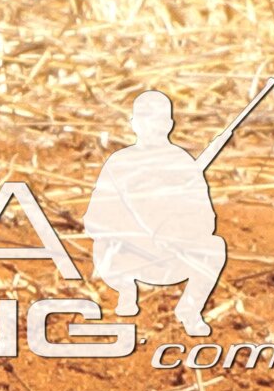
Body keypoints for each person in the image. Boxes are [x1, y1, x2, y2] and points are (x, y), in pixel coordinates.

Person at [85, 90, 232, 334]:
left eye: (158, 120)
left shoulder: (182, 163)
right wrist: (132, 230)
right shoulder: (119, 162)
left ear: (169, 125)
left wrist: (175, 230)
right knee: (104, 247)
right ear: (134, 124)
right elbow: (94, 220)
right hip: (127, 255)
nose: (151, 127)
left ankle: (189, 310)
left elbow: (206, 219)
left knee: (214, 247)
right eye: (144, 119)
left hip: (170, 256)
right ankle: (126, 293)